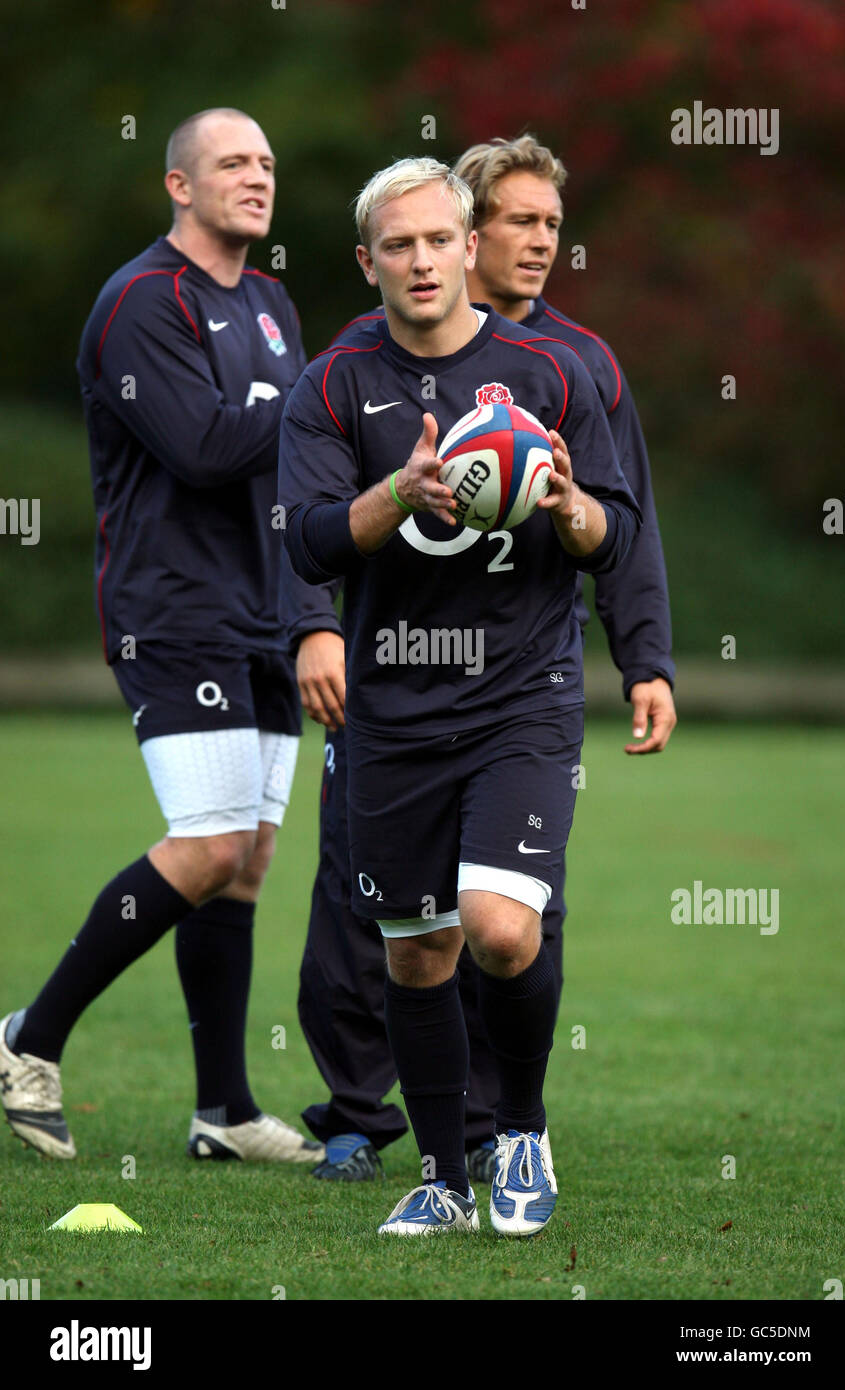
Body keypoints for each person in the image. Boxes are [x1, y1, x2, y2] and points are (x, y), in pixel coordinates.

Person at [291, 135, 676, 1184]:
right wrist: (354, 558)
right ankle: (407, 1147)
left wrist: (636, 635)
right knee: (399, 937)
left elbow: (620, 526)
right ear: (369, 258)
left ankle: (519, 1129)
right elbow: (304, 534)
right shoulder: (337, 380)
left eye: (553, 223)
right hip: (390, 701)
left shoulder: (562, 371)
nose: (423, 259)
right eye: (397, 243)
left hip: (522, 697)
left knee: (505, 927)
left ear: (462, 247)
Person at [0, 108, 323, 1165]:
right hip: (174, 608)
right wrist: (325, 401)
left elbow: (301, 460)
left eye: (267, 163)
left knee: (248, 861)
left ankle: (222, 1110)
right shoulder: (140, 302)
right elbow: (204, 446)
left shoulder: (271, 302)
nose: (256, 177)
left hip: (272, 609)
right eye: (233, 162)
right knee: (210, 843)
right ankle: (26, 1041)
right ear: (179, 185)